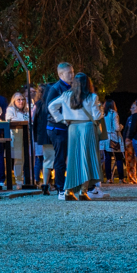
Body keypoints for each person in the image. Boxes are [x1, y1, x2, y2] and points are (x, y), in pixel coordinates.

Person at [49, 72, 103, 201]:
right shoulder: (92, 97)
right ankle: (83, 192)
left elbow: (51, 106)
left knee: (73, 159)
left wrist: (62, 119)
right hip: (88, 128)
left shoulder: (67, 95)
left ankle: (68, 190)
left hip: (72, 128)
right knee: (87, 160)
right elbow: (96, 116)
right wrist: (100, 110)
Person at [33, 63, 74, 194]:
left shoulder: (69, 87)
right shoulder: (56, 88)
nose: (72, 75)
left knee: (62, 157)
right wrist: (62, 119)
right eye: (69, 73)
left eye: (72, 72)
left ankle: (63, 185)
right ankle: (60, 187)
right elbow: (50, 108)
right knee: (59, 158)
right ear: (61, 74)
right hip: (58, 128)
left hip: (64, 127)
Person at [6, 90, 32, 188]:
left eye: (23, 99)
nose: (21, 101)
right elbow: (9, 120)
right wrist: (24, 121)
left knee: (29, 158)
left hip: (28, 136)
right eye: (18, 100)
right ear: (14, 101)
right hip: (17, 136)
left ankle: (29, 179)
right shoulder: (11, 109)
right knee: (18, 159)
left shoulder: (27, 109)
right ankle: (18, 181)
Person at [99, 100, 126, 183]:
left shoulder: (102, 114)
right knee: (118, 158)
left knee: (107, 159)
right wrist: (121, 126)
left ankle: (108, 178)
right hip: (114, 138)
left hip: (104, 138)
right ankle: (121, 178)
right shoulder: (114, 113)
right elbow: (116, 127)